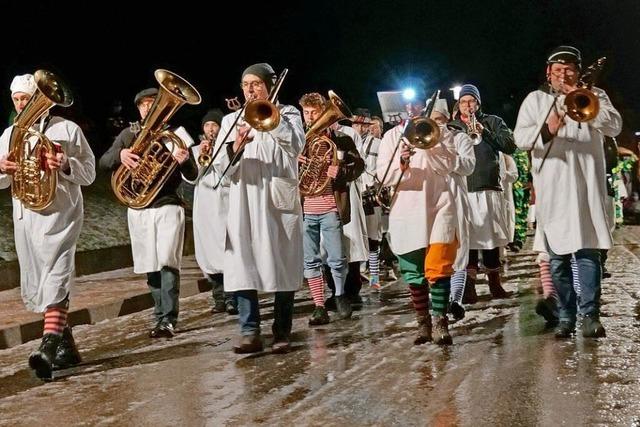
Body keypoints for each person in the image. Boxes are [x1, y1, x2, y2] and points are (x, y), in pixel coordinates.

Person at [514, 45, 622, 338]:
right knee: (558, 258)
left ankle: (590, 315)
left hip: (586, 187)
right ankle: (566, 315)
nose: (563, 74)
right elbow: (521, 139)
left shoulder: (595, 96)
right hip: (553, 190)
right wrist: (548, 128)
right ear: (549, 74)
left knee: (588, 253)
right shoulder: (536, 100)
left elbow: (614, 126)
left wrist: (588, 106)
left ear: (578, 71)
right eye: (557, 70)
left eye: (569, 69)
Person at [0, 74, 96, 380]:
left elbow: (90, 173)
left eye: (26, 98)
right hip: (27, 217)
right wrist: (3, 168)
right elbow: (2, 181)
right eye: (16, 99)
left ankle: (48, 346)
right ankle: (67, 349)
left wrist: (66, 163)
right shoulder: (8, 134)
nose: (21, 103)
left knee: (57, 276)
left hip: (62, 215)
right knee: (41, 282)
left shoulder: (68, 129)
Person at [211, 63, 305, 354]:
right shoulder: (230, 121)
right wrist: (233, 149)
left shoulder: (288, 114)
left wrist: (272, 121)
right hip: (245, 199)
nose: (250, 90)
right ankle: (249, 330)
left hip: (277, 198)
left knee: (283, 261)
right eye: (245, 84)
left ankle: (281, 330)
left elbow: (297, 146)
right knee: (243, 263)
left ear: (268, 85)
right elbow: (220, 169)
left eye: (256, 84)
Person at [99, 87, 197, 338]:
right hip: (139, 208)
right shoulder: (127, 134)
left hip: (167, 203)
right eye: (143, 105)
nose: (147, 108)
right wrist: (120, 154)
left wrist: (185, 160)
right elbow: (104, 162)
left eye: (152, 104)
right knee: (149, 264)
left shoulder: (177, 134)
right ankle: (159, 315)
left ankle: (168, 319)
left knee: (167, 261)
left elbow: (193, 175)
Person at [376, 89, 459, 345]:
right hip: (406, 209)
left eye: (417, 103)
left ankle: (441, 322)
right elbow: (383, 176)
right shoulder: (391, 137)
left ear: (424, 105)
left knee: (439, 268)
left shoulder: (441, 132)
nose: (412, 107)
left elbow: (449, 166)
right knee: (413, 271)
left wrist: (430, 144)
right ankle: (423, 323)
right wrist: (400, 164)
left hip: (439, 205)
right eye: (408, 103)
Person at [299, 92, 364, 324]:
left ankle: (339, 295)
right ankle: (318, 304)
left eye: (314, 113)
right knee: (311, 260)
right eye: (306, 113)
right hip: (306, 208)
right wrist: (295, 162)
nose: (309, 117)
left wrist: (341, 172)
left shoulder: (341, 140)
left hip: (330, 207)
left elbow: (359, 166)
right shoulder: (299, 142)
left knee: (337, 257)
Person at [450, 84, 517, 303]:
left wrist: (484, 132)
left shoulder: (493, 121)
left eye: (471, 101)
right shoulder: (453, 127)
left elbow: (509, 146)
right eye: (463, 101)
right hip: (463, 189)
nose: (467, 105)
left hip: (489, 187)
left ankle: (494, 284)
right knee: (466, 241)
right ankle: (468, 287)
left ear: (478, 103)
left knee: (490, 239)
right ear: (458, 104)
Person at [429, 99, 475, 321]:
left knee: (458, 250)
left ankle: (455, 300)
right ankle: (440, 300)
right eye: (432, 120)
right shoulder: (422, 141)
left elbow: (469, 166)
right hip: (431, 201)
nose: (436, 124)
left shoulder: (460, 138)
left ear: (447, 120)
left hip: (455, 200)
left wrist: (447, 155)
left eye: (439, 120)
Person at [190, 109, 237, 315]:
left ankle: (232, 298)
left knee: (227, 252)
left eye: (214, 125)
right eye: (207, 125)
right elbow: (191, 178)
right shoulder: (196, 150)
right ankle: (218, 298)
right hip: (204, 208)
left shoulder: (228, 149)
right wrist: (199, 155)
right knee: (209, 254)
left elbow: (228, 176)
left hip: (225, 205)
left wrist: (217, 154)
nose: (210, 129)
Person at [352, 110, 384, 291]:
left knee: (373, 236)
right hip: (355, 193)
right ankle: (358, 273)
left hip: (371, 194)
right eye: (355, 124)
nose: (358, 127)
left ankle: (374, 276)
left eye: (361, 124)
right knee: (357, 236)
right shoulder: (350, 140)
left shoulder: (378, 144)